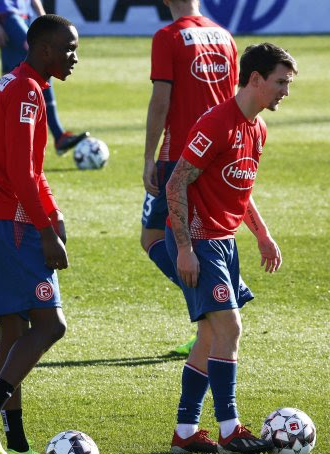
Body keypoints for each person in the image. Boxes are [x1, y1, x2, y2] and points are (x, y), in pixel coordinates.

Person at [165, 43, 297, 454]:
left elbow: (241, 186)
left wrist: (262, 234)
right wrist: (185, 248)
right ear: (255, 79)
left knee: (208, 338)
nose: (285, 93)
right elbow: (175, 184)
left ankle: (185, 433)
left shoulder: (257, 129)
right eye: (280, 83)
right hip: (199, 239)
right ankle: (230, 427)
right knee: (230, 329)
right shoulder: (216, 124)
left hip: (223, 241)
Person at [0, 14, 76, 454]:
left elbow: (30, 168)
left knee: (13, 331)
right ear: (44, 49)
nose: (74, 57)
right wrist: (45, 231)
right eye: (68, 49)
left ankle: (18, 441)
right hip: (10, 223)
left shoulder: (10, 83)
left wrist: (55, 211)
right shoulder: (28, 91)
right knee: (50, 326)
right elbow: (22, 173)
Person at [141, 0, 238, 355]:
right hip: (218, 152)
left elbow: (160, 101)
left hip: (180, 154)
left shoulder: (167, 36)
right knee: (194, 234)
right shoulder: (225, 36)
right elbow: (233, 101)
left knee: (155, 235)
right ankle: (213, 312)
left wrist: (149, 156)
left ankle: (217, 305)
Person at [0, 0, 88, 155]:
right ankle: (58, 135)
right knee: (42, 59)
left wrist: (44, 16)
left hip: (25, 14)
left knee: (10, 76)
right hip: (6, 14)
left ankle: (1, 144)